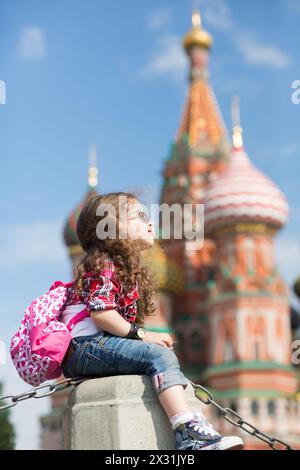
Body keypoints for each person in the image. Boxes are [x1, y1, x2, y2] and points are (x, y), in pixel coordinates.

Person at [61, 192, 244, 451]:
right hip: (85, 347)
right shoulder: (105, 263)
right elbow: (101, 313)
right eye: (139, 216)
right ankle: (188, 431)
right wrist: (141, 335)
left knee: (153, 357)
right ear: (113, 229)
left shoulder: (123, 267)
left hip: (92, 348)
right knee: (158, 356)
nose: (150, 223)